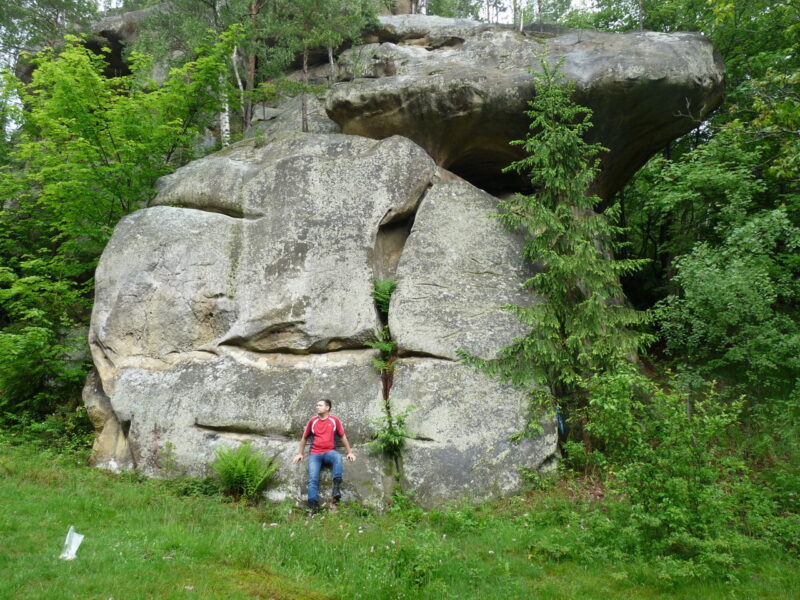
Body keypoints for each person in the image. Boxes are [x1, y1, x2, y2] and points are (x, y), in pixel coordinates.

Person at [293, 398, 355, 512]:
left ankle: (336, 489)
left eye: (320, 405)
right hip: (315, 454)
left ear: (327, 408)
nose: (317, 407)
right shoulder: (313, 421)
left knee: (337, 458)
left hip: (329, 452)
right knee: (313, 478)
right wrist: (300, 453)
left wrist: (349, 452)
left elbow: (343, 437)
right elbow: (304, 438)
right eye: (317, 405)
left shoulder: (334, 420)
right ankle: (312, 505)